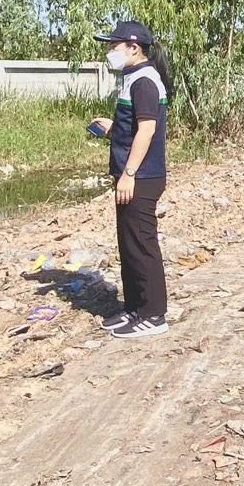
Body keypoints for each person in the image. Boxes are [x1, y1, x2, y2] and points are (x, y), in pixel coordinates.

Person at [87, 20, 170, 337]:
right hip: (132, 175)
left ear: (134, 48)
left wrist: (129, 174)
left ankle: (154, 315)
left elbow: (147, 130)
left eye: (114, 45)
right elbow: (136, 125)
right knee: (129, 244)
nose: (110, 51)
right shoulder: (133, 77)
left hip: (142, 176)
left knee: (142, 245)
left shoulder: (144, 81)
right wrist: (114, 127)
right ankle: (135, 308)